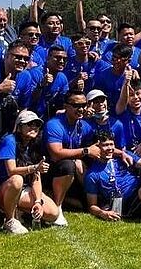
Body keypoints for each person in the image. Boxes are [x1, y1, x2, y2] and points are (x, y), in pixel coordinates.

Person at [0, 110, 60, 234]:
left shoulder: (34, 145)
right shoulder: (9, 141)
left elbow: (36, 177)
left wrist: (38, 201)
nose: (34, 127)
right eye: (29, 124)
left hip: (24, 188)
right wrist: (34, 168)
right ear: (19, 127)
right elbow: (11, 171)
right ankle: (9, 219)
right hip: (4, 188)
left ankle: (22, 211)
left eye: (36, 124)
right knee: (17, 180)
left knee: (53, 213)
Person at [43, 90, 97, 226]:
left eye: (84, 105)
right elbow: (56, 154)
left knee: (82, 204)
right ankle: (57, 206)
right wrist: (86, 151)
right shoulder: (54, 124)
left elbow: (95, 146)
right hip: (49, 170)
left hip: (71, 175)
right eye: (76, 105)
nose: (81, 109)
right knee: (69, 165)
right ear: (66, 106)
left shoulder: (84, 125)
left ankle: (88, 200)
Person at [29, 45, 69, 118]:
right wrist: (41, 85)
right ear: (48, 58)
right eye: (57, 58)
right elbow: (29, 99)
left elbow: (63, 102)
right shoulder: (35, 73)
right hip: (30, 114)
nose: (61, 61)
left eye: (64, 59)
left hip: (48, 116)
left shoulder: (62, 77)